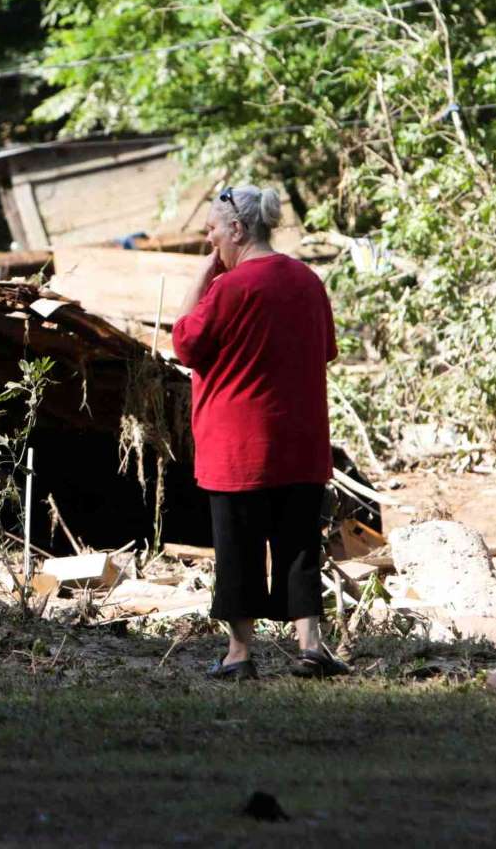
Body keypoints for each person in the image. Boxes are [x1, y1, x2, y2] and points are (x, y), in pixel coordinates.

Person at [170, 185, 347, 680]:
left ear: (237, 229)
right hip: (300, 441)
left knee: (239, 549)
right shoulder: (308, 280)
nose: (210, 241)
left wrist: (203, 275)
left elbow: (184, 342)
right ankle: (311, 646)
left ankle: (239, 654)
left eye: (211, 230)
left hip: (238, 446)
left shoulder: (229, 288)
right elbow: (325, 350)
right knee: (298, 547)